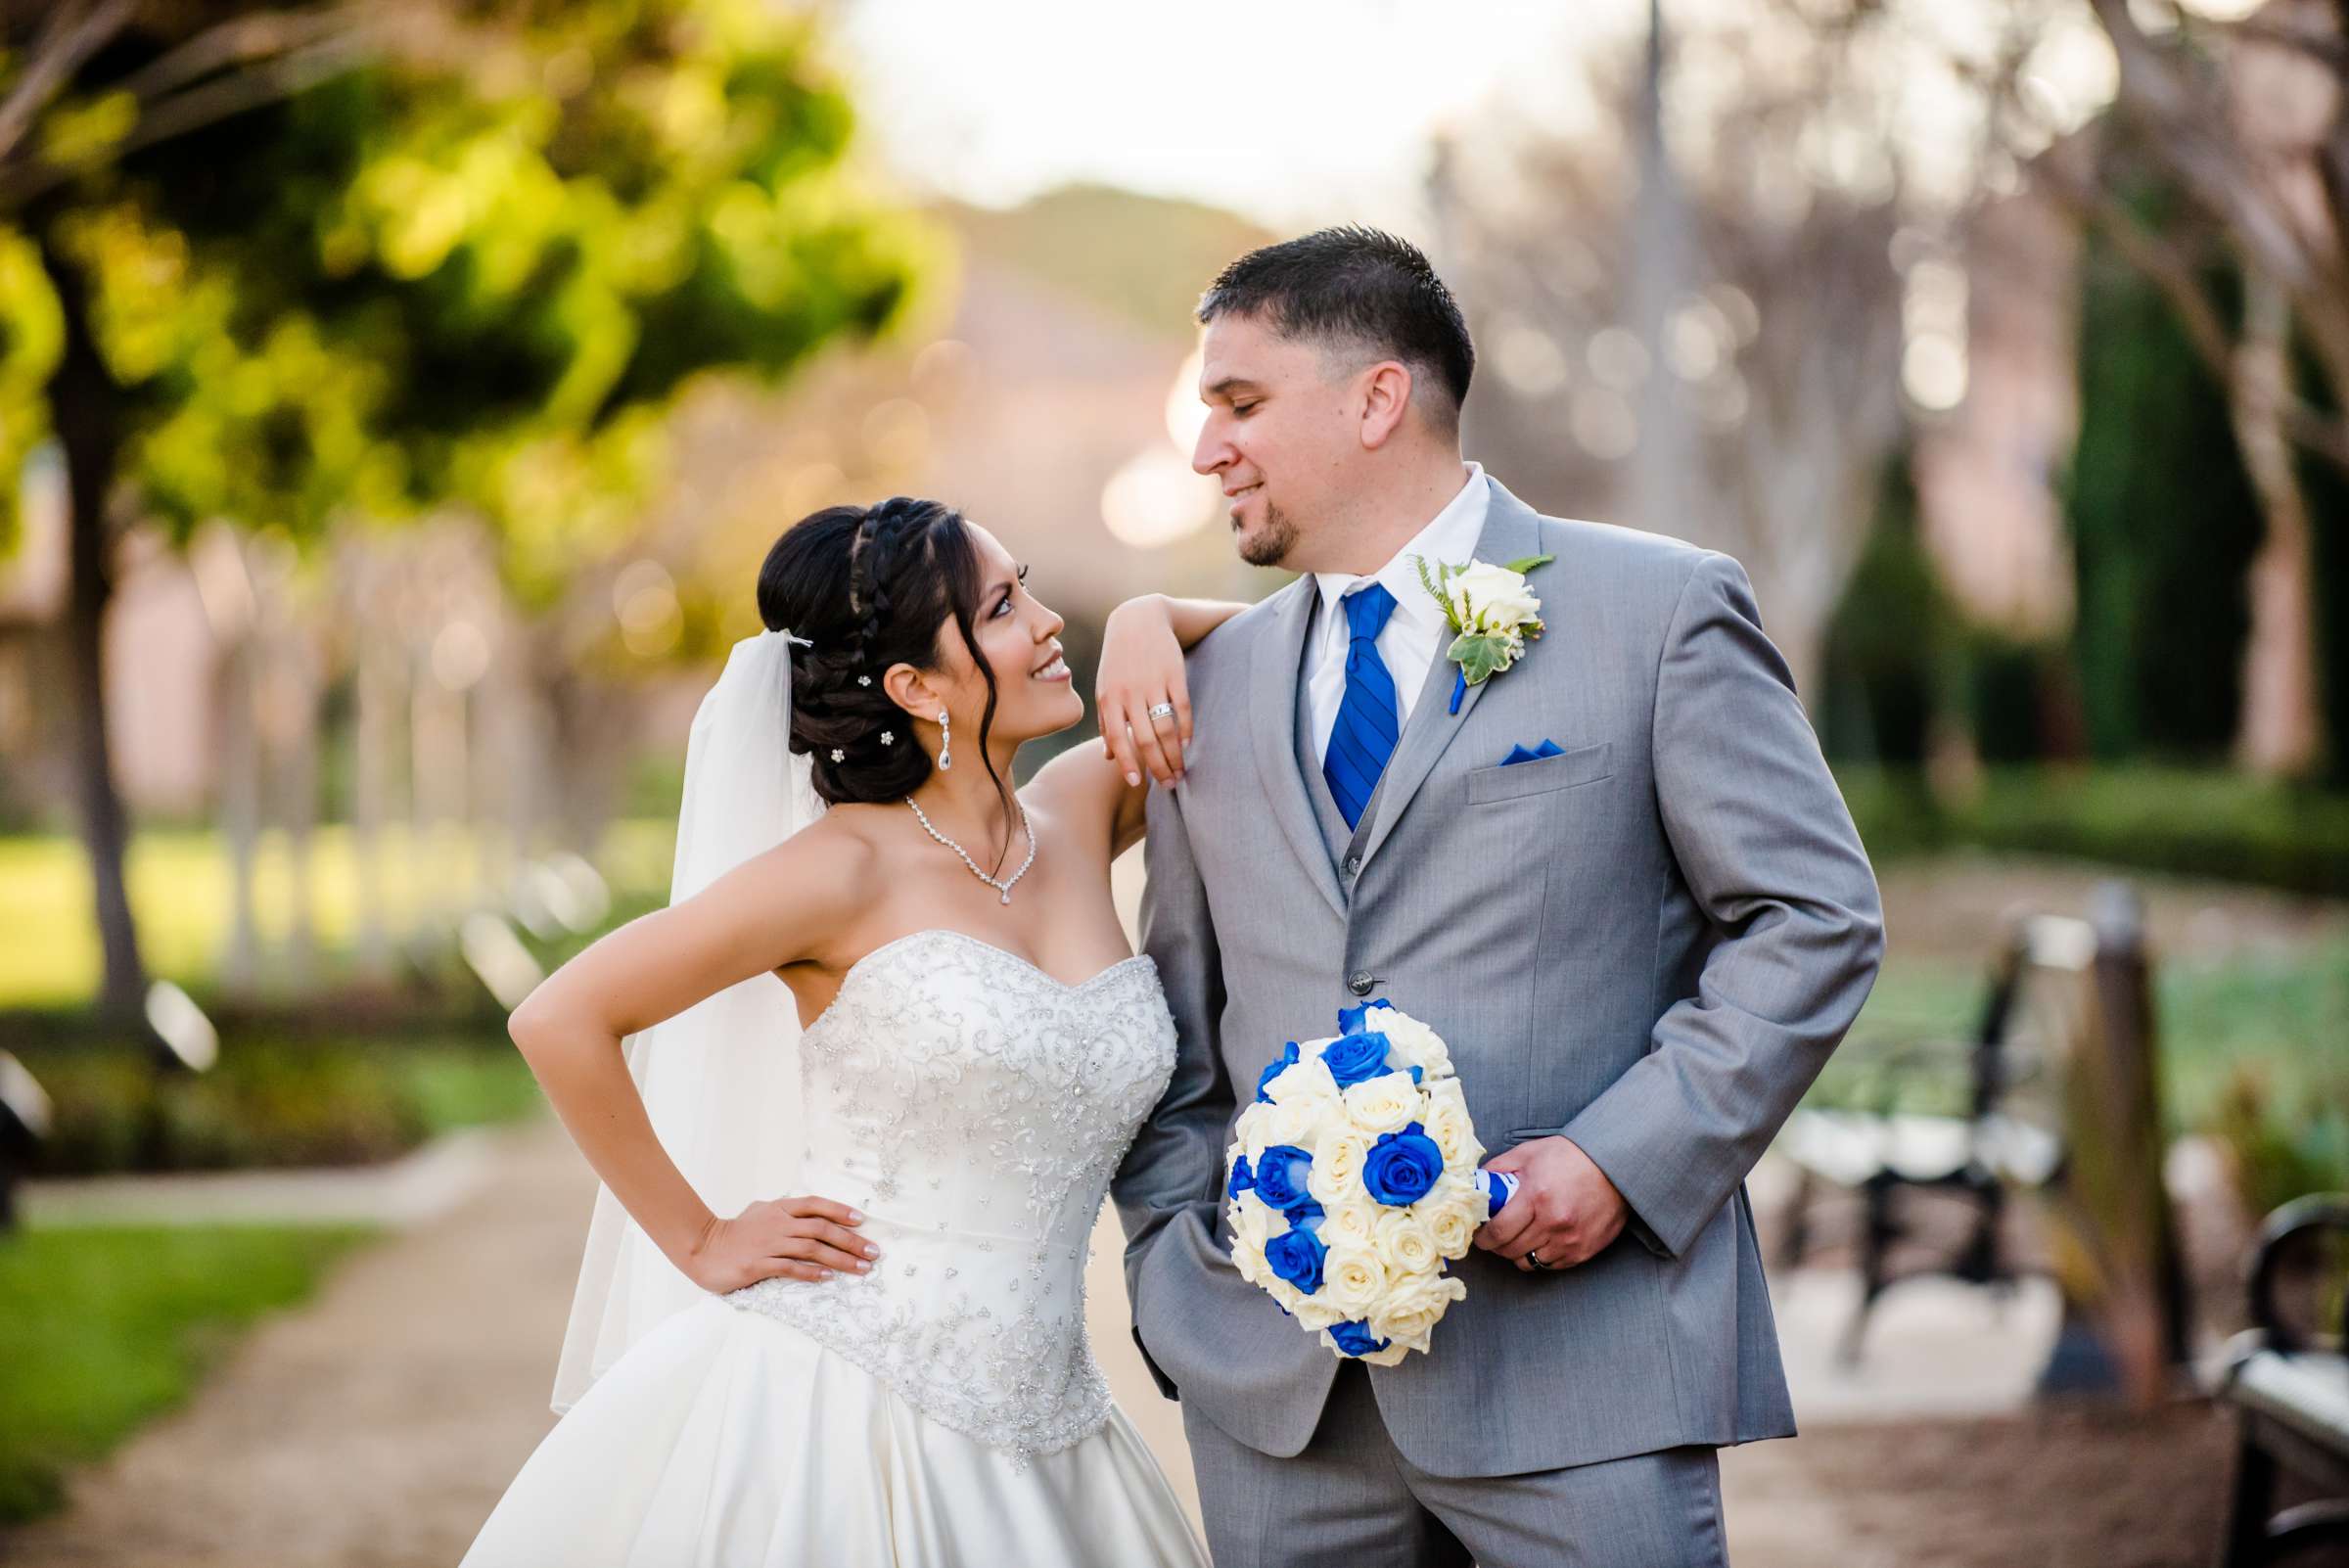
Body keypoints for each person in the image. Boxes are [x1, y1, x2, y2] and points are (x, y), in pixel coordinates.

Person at [1107, 226, 1887, 1568]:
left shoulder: (1657, 612)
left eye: (1238, 403)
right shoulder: (1208, 687)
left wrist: (1621, 1160)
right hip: (1283, 1411)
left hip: (1580, 1379)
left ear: (1375, 398)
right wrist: (1175, 1277)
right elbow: (1176, 1017)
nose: (1203, 447)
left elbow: (1812, 916)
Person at [459, 497, 1237, 1567]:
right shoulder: (841, 870)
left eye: (1029, 587)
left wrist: (1152, 612)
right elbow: (559, 1017)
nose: (1052, 622)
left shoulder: (1079, 808)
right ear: (918, 688)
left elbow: (1263, 646)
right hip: (847, 1396)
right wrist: (702, 1238)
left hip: (1062, 1422)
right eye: (1005, 607)